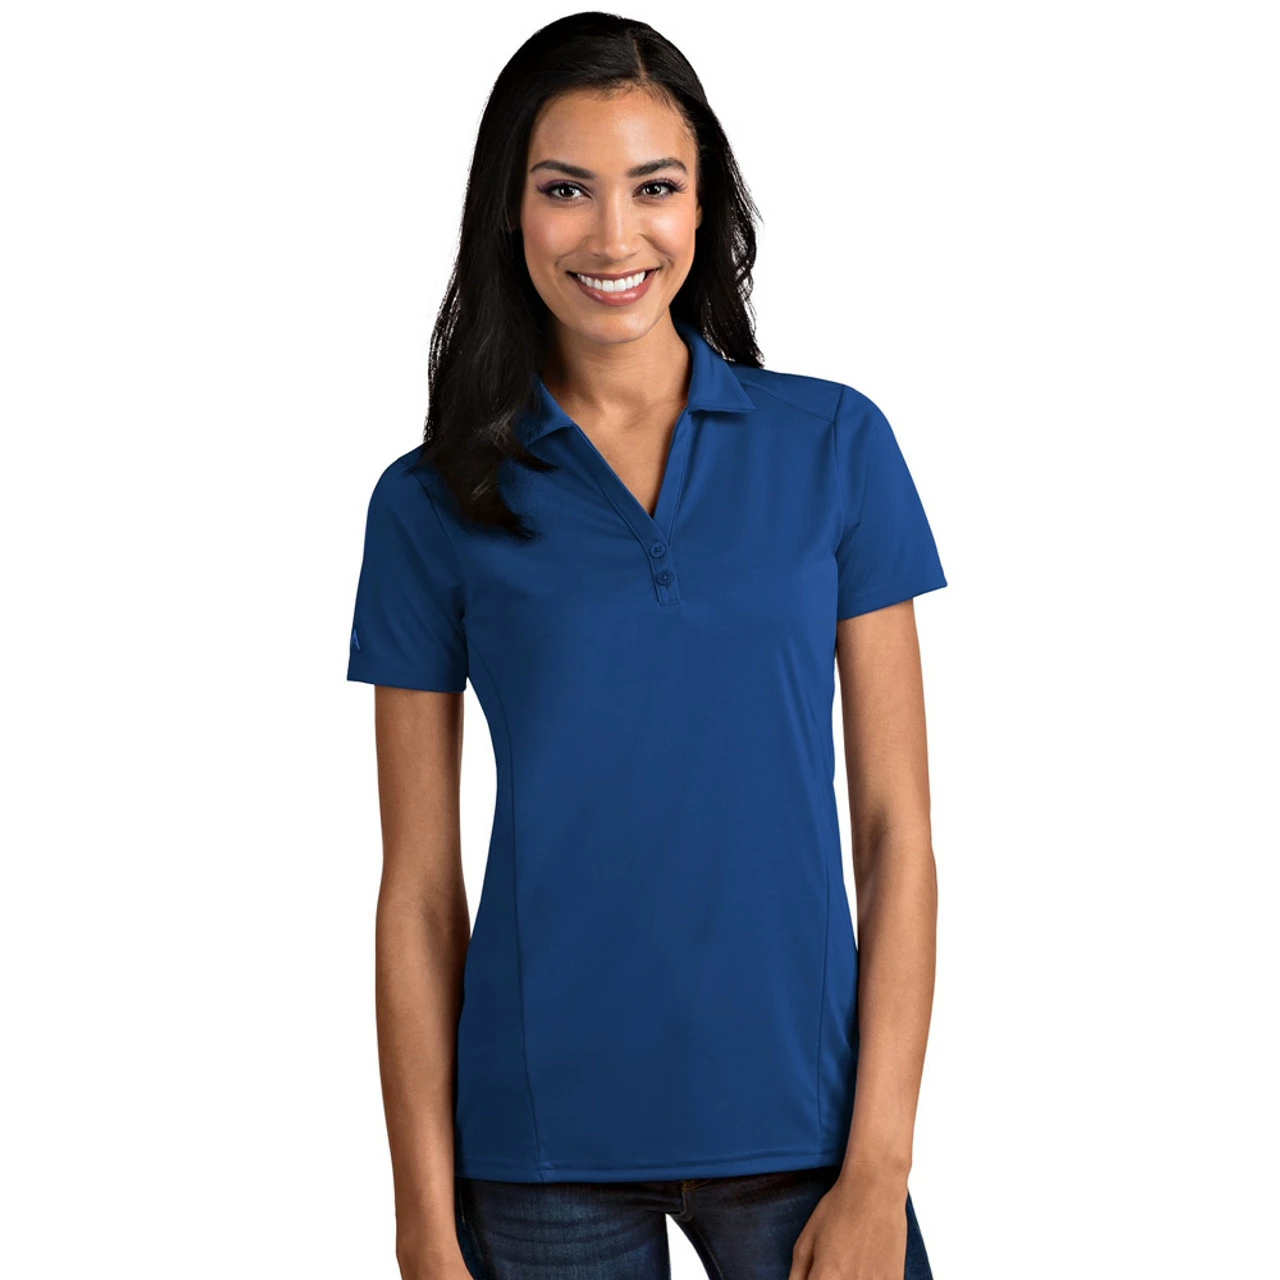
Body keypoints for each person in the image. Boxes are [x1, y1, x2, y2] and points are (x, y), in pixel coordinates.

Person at [346, 12, 946, 1280]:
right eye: (565, 189)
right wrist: (420, 1222)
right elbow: (418, 888)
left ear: (702, 205)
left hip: (804, 1130)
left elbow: (896, 834)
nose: (613, 237)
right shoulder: (429, 500)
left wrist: (877, 1167)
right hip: (538, 1143)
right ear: (508, 211)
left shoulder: (835, 446)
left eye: (653, 187)